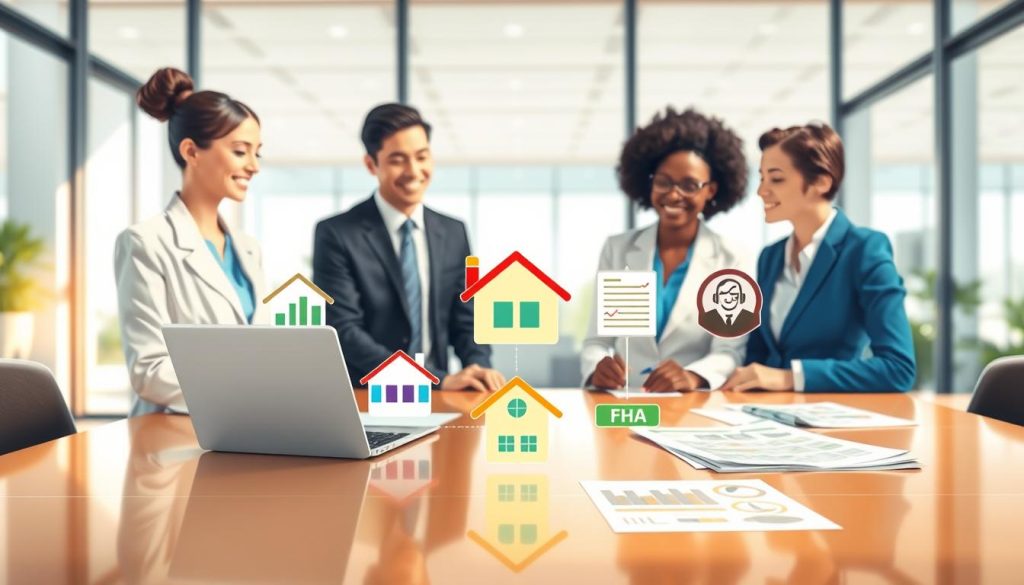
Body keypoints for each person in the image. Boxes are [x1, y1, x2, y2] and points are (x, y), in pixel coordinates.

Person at [313, 103, 504, 391]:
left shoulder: (454, 232)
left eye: (422, 157)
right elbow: (345, 330)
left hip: (440, 400)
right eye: (398, 159)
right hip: (367, 396)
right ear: (371, 164)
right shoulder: (337, 233)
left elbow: (468, 319)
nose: (414, 171)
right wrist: (434, 380)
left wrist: (478, 369)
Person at [115, 67, 266, 417]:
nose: (254, 166)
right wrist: (248, 393)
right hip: (174, 436)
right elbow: (149, 370)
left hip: (249, 426)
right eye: (241, 151)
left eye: (258, 152)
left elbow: (261, 351)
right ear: (192, 151)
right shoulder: (144, 243)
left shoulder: (248, 250)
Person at [724, 122, 915, 392]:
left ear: (821, 182)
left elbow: (898, 369)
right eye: (762, 177)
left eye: (776, 179)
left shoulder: (864, 249)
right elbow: (758, 352)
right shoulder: (771, 256)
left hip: (831, 416)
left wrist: (789, 378)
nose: (761, 190)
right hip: (766, 415)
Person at [580, 107, 754, 392]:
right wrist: (598, 368)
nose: (674, 195)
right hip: (628, 405)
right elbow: (597, 342)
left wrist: (692, 375)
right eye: (664, 182)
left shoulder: (733, 258)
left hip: (694, 407)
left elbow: (729, 350)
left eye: (689, 185)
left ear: (710, 190)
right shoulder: (619, 249)